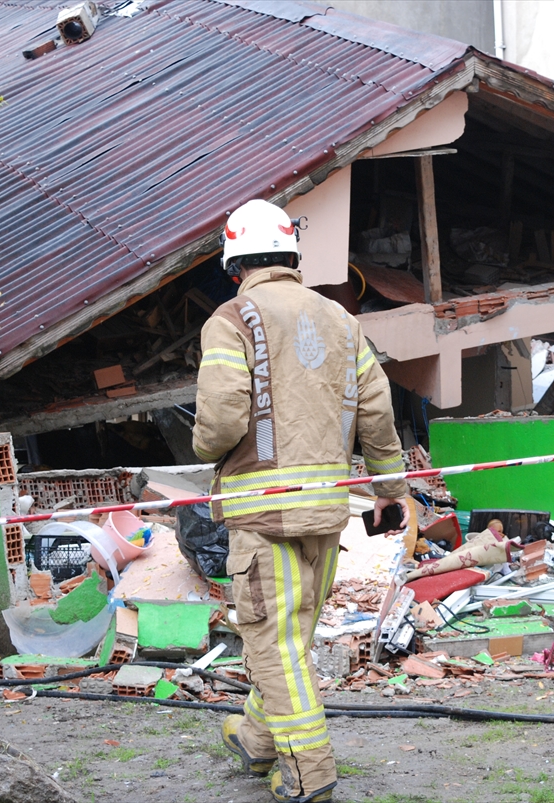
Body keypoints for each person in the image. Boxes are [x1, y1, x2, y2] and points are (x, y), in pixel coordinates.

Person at [193, 199, 411, 803]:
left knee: (271, 640)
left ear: (234, 265)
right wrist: (391, 491)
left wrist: (205, 448)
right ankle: (261, 738)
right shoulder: (343, 322)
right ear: (292, 256)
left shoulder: (231, 320)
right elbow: (377, 413)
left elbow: (219, 418)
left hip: (262, 516)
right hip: (326, 512)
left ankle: (308, 771)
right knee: (290, 639)